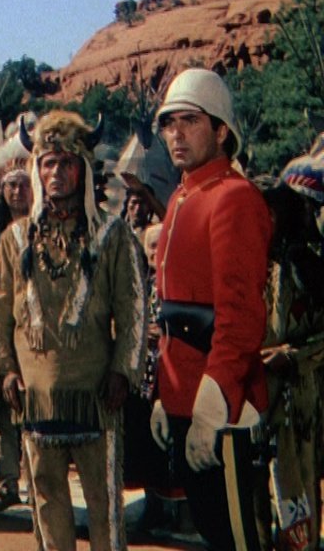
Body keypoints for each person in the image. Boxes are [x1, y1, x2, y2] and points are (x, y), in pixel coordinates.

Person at [0, 110, 147, 550]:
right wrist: (6, 371)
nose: (56, 173)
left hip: (95, 393)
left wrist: (123, 370)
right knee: (46, 498)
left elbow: (133, 309)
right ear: (36, 170)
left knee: (104, 503)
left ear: (84, 170)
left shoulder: (112, 235)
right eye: (48, 163)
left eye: (67, 163)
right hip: (36, 395)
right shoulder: (15, 239)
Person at [149, 68, 272, 550]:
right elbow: (170, 313)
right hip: (185, 401)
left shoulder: (234, 198)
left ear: (221, 131)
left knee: (237, 538)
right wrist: (164, 395)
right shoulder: (181, 198)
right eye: (169, 123)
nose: (176, 134)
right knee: (211, 531)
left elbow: (240, 318)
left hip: (224, 407)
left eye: (191, 121)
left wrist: (210, 408)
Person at [257, 138, 323, 551]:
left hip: (300, 401)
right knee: (255, 498)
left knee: (298, 492)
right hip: (254, 396)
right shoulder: (247, 263)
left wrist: (293, 356)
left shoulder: (312, 268)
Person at [0, 153, 33, 512]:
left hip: (35, 331)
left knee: (34, 409)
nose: (17, 192)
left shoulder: (44, 229)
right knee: (3, 407)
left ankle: (37, 481)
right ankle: (7, 482)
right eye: (11, 185)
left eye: (23, 185)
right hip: (3, 325)